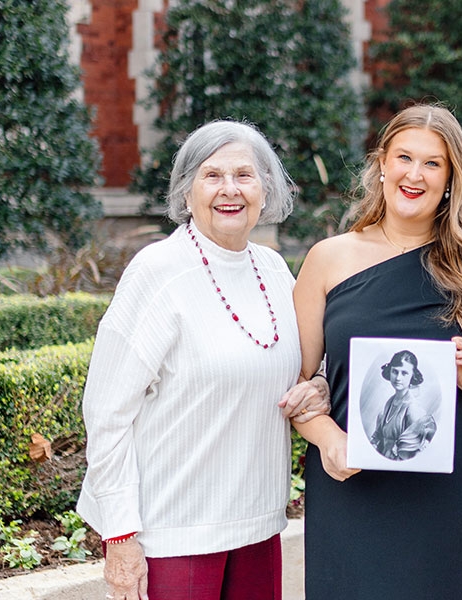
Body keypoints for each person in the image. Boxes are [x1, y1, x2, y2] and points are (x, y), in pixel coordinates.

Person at [77, 120, 330, 600]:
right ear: (186, 191)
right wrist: (121, 537)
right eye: (212, 176)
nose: (229, 190)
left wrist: (318, 386)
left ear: (265, 189)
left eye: (244, 175)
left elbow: (298, 367)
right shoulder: (158, 272)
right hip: (175, 533)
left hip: (258, 525)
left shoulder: (275, 269)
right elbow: (106, 412)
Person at [291, 104, 462, 599]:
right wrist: (328, 438)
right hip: (348, 482)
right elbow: (294, 382)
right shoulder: (328, 258)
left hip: (440, 492)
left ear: (451, 178)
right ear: (382, 163)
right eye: (404, 157)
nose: (414, 174)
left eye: (432, 163)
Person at [369, 349, 437, 460]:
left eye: (404, 373)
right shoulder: (389, 404)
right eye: (395, 371)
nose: (398, 378)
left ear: (412, 376)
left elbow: (413, 453)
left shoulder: (412, 409)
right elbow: (378, 437)